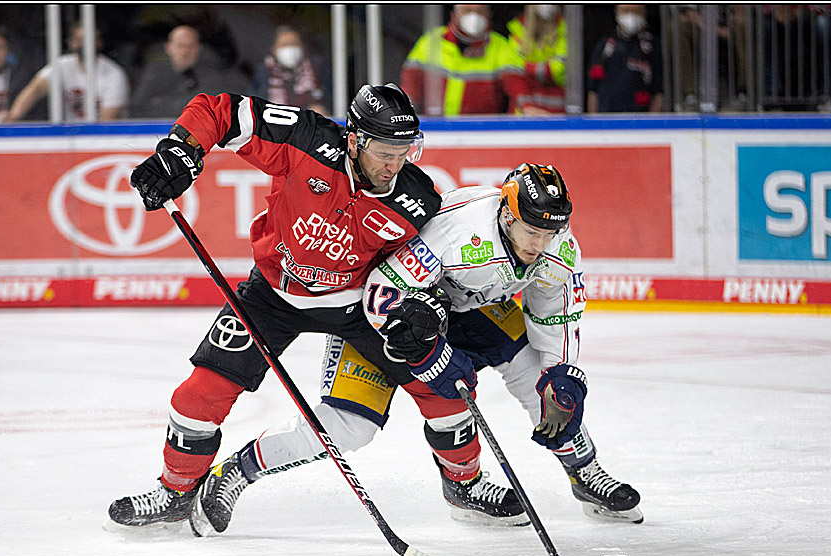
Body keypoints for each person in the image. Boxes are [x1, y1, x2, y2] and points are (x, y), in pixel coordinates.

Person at [108, 83, 527, 530]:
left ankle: (463, 484)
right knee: (199, 395)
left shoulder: (417, 199)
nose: (394, 164)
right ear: (355, 139)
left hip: (359, 305)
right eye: (385, 150)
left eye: (405, 150)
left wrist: (428, 311)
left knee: (446, 386)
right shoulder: (306, 140)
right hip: (272, 295)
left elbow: (427, 269)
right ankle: (175, 492)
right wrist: (181, 150)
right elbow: (219, 110)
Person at [187, 164, 643, 538]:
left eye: (551, 233)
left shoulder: (558, 249)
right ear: (506, 215)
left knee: (537, 378)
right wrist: (427, 352)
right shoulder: (459, 232)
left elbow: (555, 316)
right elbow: (380, 294)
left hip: (469, 305)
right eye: (531, 232)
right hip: (386, 313)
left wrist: (561, 372)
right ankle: (237, 471)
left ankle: (580, 473)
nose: (540, 246)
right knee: (351, 427)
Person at [400, 4, 527, 115]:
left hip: (482, 131)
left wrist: (525, 110)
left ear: (489, 15)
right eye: (467, 10)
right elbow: (411, 87)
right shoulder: (432, 41)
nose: (474, 16)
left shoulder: (500, 47)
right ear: (454, 15)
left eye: (480, 11)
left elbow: (518, 89)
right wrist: (402, 113)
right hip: (438, 129)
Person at [5, 22, 129, 122]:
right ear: (71, 43)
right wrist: (13, 117)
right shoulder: (62, 65)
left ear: (100, 42)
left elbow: (107, 121)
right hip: (69, 136)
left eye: (91, 39)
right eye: (80, 40)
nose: (86, 44)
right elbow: (35, 89)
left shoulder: (114, 74)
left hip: (100, 139)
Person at [130, 24, 246, 119]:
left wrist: (160, 103)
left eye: (190, 46)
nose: (185, 52)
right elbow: (137, 108)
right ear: (168, 48)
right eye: (180, 46)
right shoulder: (154, 73)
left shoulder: (214, 76)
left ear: (199, 48)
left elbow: (210, 109)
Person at [586, 4, 664, 113]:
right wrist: (594, 123)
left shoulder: (653, 47)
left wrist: (651, 124)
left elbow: (659, 92)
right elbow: (593, 90)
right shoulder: (605, 46)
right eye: (626, 11)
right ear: (617, 13)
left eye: (637, 12)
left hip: (640, 121)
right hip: (606, 120)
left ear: (644, 14)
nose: (631, 16)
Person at [248, 25, 330, 116]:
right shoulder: (263, 73)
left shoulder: (318, 70)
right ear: (274, 49)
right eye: (285, 45)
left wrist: (322, 111)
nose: (290, 49)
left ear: (302, 47)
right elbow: (254, 107)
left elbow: (334, 101)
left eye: (294, 44)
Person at [507, 4, 568, 114]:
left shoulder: (565, 29)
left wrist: (527, 68)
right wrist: (545, 68)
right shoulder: (517, 29)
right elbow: (514, 74)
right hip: (523, 114)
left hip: (555, 114)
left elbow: (557, 71)